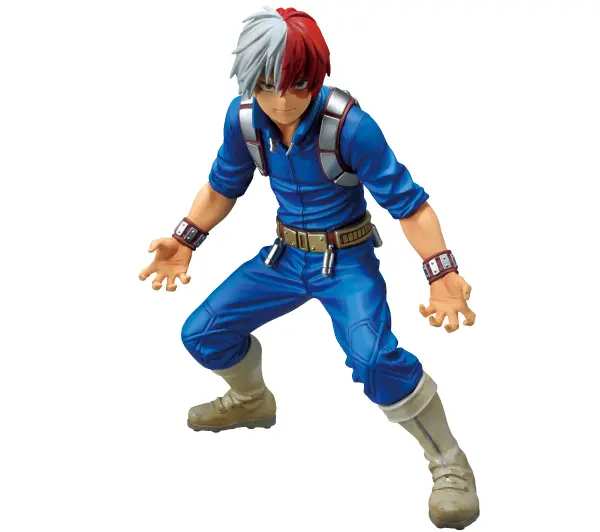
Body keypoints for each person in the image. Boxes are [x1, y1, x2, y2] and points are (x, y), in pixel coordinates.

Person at [139, 7, 479, 530]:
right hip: (284, 257)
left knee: (373, 360)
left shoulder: (350, 127)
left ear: (316, 76)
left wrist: (441, 272)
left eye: (296, 84)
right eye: (266, 85)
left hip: (346, 262)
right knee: (202, 333)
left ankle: (449, 462)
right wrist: (186, 238)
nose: (281, 100)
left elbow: (408, 205)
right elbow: (223, 185)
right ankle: (251, 399)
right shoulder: (245, 119)